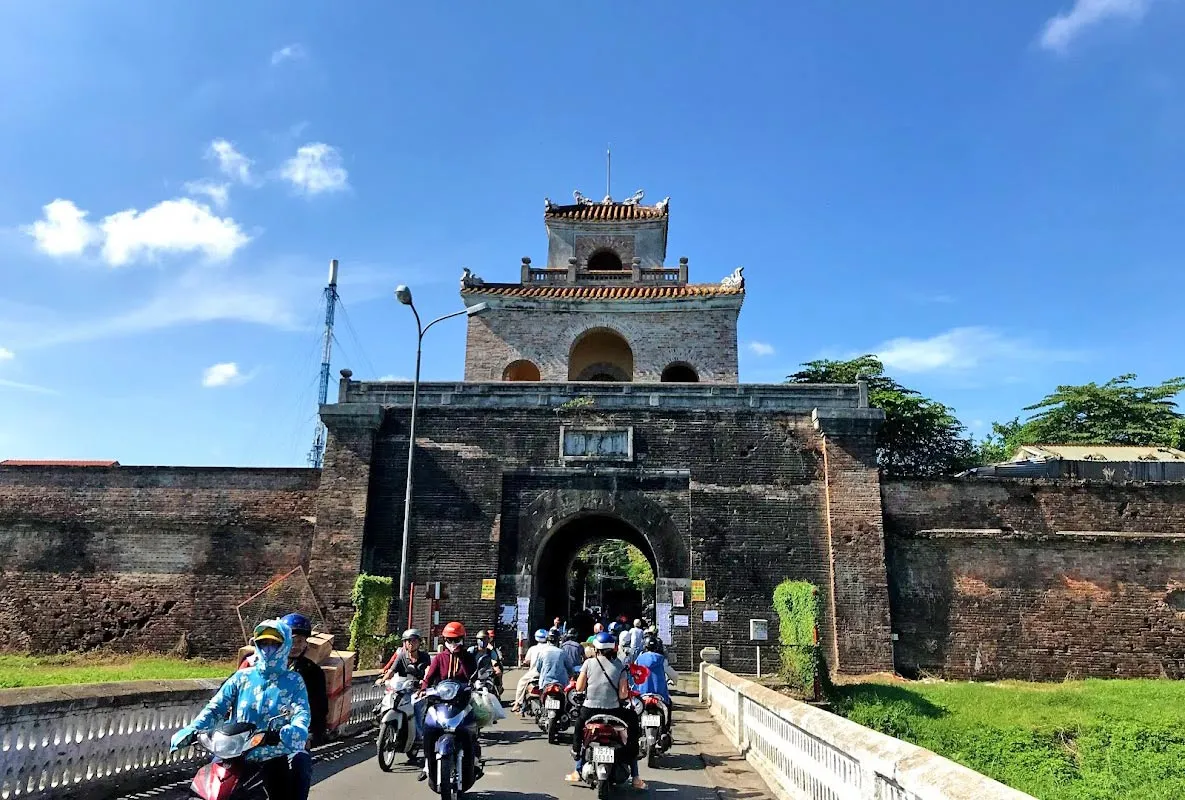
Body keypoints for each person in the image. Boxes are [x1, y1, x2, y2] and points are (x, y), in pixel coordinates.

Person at [171, 620, 313, 800]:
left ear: (284, 646)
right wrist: (193, 729)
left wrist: (294, 730)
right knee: (207, 788)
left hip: (271, 753)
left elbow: (301, 712)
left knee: (292, 778)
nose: (267, 649)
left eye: (274, 644)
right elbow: (216, 707)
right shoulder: (242, 677)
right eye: (263, 643)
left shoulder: (293, 681)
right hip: (234, 751)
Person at [564, 632, 645, 790]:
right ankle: (635, 776)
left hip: (590, 711)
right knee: (632, 728)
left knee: (579, 726)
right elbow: (623, 694)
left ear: (596, 649)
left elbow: (579, 687)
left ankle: (576, 760)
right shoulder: (620, 665)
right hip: (614, 711)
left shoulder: (588, 663)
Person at [416, 621, 481, 783]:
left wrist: (461, 658)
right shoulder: (439, 658)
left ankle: (474, 760)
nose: (452, 643)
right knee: (428, 727)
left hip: (462, 700)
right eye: (449, 640)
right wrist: (423, 689)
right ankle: (427, 763)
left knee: (471, 730)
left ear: (462, 639)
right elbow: (429, 677)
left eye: (456, 640)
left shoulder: (468, 658)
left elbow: (472, 676)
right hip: (440, 700)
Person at [279, 613, 329, 747]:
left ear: (306, 644)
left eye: (300, 641)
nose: (295, 646)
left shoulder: (313, 671)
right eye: (292, 641)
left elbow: (319, 706)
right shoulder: (267, 667)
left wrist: (312, 735)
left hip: (296, 733)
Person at [632, 634, 679, 736]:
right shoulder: (661, 659)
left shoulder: (639, 659)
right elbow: (672, 674)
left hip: (643, 694)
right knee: (669, 705)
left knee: (635, 712)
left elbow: (633, 674)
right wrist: (675, 681)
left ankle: (636, 732)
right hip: (659, 694)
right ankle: (666, 730)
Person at [511, 628, 549, 712]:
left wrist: (524, 662)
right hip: (548, 673)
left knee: (522, 682)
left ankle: (518, 703)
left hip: (535, 673)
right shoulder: (550, 648)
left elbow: (527, 661)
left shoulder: (533, 648)